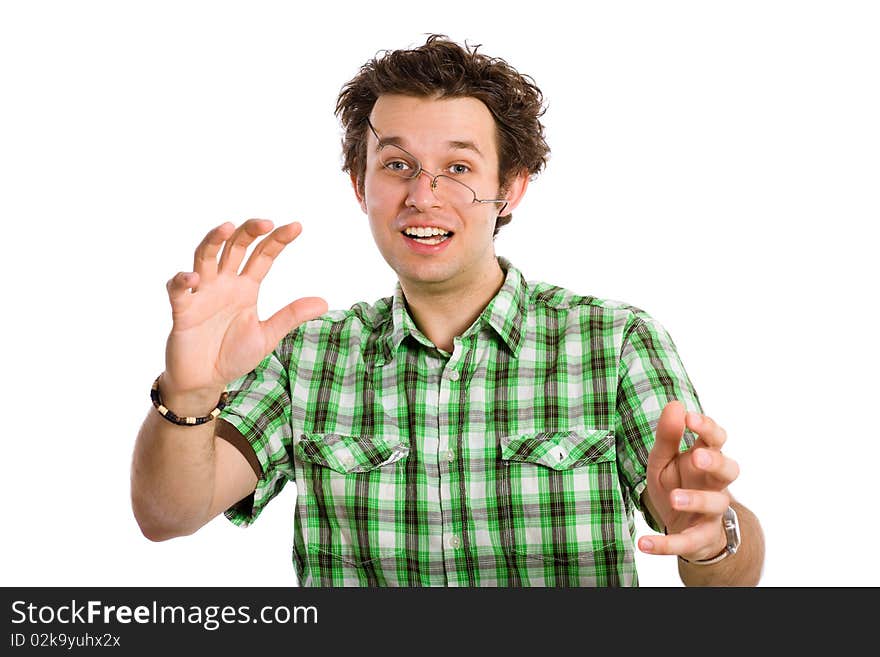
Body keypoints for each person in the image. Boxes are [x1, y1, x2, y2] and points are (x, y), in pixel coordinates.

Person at [131, 34, 765, 587]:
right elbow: (167, 515)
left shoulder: (616, 341)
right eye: (398, 164)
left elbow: (729, 575)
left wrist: (711, 536)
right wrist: (189, 393)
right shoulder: (306, 354)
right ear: (361, 185)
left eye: (458, 167)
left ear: (508, 188)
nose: (423, 196)